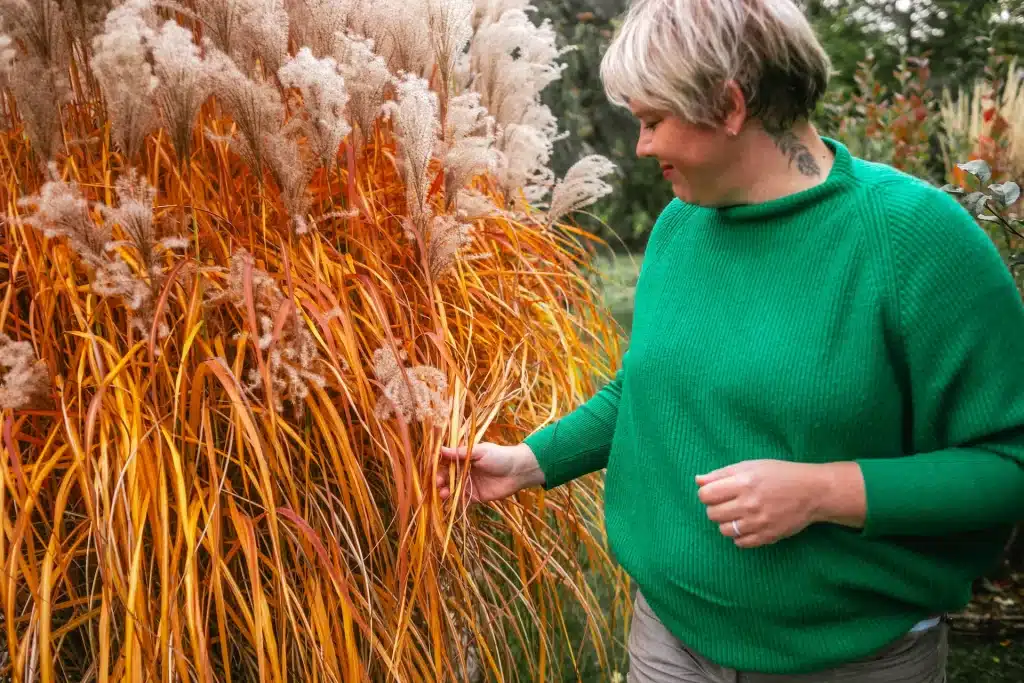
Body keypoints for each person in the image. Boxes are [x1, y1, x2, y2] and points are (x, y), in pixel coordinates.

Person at [436, 0, 1024, 680]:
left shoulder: (913, 239)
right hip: (668, 642)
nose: (642, 146)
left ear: (730, 105)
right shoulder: (680, 228)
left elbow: (1009, 461)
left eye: (653, 120)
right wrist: (530, 462)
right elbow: (647, 386)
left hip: (852, 660)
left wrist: (823, 490)